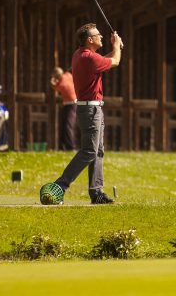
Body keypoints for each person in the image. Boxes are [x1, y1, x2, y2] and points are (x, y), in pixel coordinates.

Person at [44, 23, 122, 204]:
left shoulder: (82, 55)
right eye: (98, 35)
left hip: (91, 108)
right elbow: (115, 61)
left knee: (98, 151)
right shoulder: (90, 59)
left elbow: (107, 60)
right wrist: (116, 45)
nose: (101, 37)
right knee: (89, 151)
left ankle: (96, 192)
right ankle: (60, 186)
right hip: (91, 110)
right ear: (90, 40)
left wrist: (114, 47)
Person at [50, 67, 78, 151]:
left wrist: (52, 82)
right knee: (63, 125)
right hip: (68, 104)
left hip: (72, 104)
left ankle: (71, 147)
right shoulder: (68, 75)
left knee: (67, 126)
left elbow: (56, 87)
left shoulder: (61, 83)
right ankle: (62, 147)